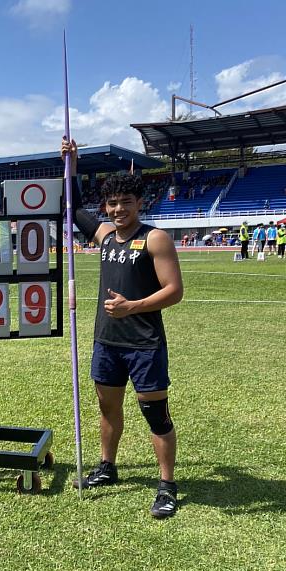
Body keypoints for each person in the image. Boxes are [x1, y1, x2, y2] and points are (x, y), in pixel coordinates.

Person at [61, 138, 184, 518]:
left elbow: (174, 291)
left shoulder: (154, 238)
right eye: (112, 203)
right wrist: (73, 163)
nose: (118, 209)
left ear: (138, 203)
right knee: (107, 408)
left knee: (155, 415)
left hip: (144, 344)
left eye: (125, 203)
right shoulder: (104, 237)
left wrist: (133, 307)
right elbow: (74, 208)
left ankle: (166, 485)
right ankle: (107, 468)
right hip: (107, 341)